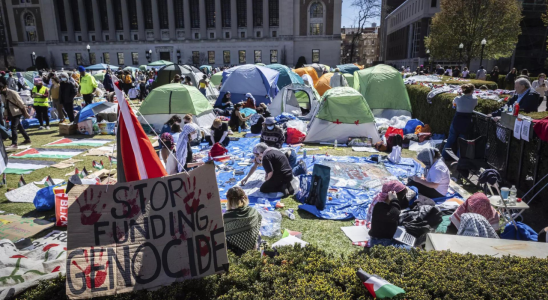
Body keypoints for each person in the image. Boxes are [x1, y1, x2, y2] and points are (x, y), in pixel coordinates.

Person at [367, 181, 411, 249]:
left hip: (389, 238)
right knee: (412, 250)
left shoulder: (390, 205)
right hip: (379, 242)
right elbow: (393, 216)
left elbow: (403, 206)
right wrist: (394, 199)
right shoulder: (379, 206)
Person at [442, 83, 478, 160]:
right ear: (472, 91)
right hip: (466, 122)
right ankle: (459, 160)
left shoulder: (457, 98)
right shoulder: (475, 99)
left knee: (450, 140)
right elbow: (474, 104)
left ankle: (443, 156)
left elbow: (454, 104)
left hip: (457, 120)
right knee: (462, 143)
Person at [223, 186, 262, 256]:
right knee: (258, 233)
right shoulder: (253, 211)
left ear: (230, 201)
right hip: (255, 246)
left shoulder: (227, 217)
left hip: (239, 253)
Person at [1, 78, 31, 150]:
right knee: (19, 126)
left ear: (5, 87)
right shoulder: (2, 94)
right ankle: (27, 139)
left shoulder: (12, 92)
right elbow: (5, 105)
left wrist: (26, 113)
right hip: (10, 112)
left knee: (13, 127)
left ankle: (14, 143)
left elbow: (21, 103)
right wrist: (5, 114)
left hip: (17, 112)